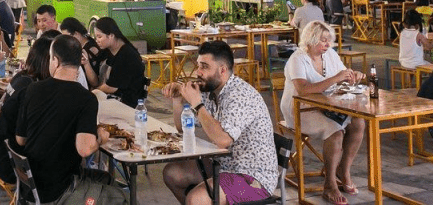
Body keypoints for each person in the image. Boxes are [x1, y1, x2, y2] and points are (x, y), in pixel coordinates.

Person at [162, 41, 278, 205]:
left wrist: (197, 104)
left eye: (204, 67)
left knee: (196, 199)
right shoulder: (213, 92)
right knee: (172, 174)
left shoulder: (239, 95)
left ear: (222, 70)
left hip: (252, 177)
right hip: (224, 164)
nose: (198, 72)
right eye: (198, 66)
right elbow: (183, 128)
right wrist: (178, 101)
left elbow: (223, 140)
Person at [281, 21, 366, 205]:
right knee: (335, 132)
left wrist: (352, 76)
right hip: (299, 108)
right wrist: (336, 78)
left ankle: (343, 171)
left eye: (329, 40)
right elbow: (303, 90)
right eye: (324, 40)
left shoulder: (330, 55)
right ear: (311, 40)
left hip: (327, 105)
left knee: (358, 122)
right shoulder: (298, 58)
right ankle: (329, 185)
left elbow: (343, 74)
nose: (328, 44)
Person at [15, 35, 106, 204]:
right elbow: (85, 150)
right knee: (117, 193)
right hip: (61, 190)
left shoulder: (32, 89)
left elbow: (20, 140)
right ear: (79, 61)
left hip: (31, 186)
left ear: (55, 61)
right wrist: (100, 138)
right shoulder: (86, 99)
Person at [0, 34, 55, 184]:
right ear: (47, 61)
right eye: (55, 59)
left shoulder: (22, 76)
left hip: (1, 153)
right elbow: (24, 138)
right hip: (14, 166)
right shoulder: (31, 89)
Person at [84, 16, 146, 107]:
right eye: (96, 37)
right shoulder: (106, 51)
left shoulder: (127, 55)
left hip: (126, 101)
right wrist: (86, 63)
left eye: (99, 37)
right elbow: (95, 81)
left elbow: (111, 87)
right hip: (108, 96)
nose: (97, 41)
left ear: (111, 36)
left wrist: (92, 93)